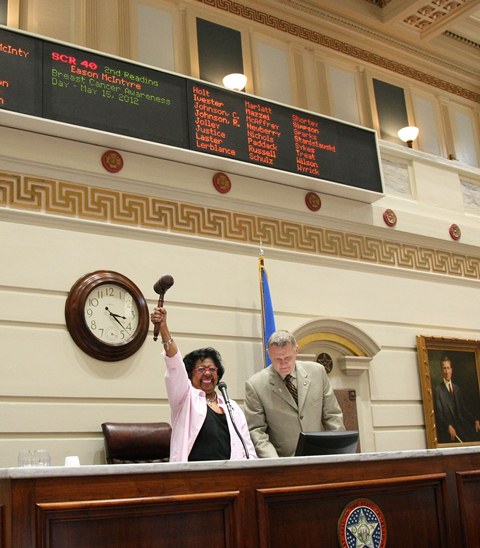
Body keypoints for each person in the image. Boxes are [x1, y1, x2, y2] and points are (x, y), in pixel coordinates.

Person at [150, 306, 256, 462]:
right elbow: (174, 365)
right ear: (190, 374)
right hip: (193, 478)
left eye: (212, 369)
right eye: (201, 369)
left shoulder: (231, 407)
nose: (207, 373)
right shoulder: (185, 398)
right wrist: (164, 329)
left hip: (231, 477)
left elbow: (247, 448)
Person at [244, 330, 345, 458]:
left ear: (296, 350)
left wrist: (338, 453)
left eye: (287, 358)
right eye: (278, 359)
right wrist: (275, 463)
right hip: (283, 463)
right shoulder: (256, 385)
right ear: (269, 354)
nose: (283, 363)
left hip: (319, 459)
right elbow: (257, 432)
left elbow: (332, 416)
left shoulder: (317, 372)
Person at [434, 356, 480, 444]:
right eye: (444, 368)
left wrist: (475, 420)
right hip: (449, 433)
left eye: (448, 368)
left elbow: (462, 409)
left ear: (451, 370)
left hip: (461, 428)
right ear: (441, 371)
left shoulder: (457, 388)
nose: (447, 371)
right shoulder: (438, 390)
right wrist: (448, 426)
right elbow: (439, 416)